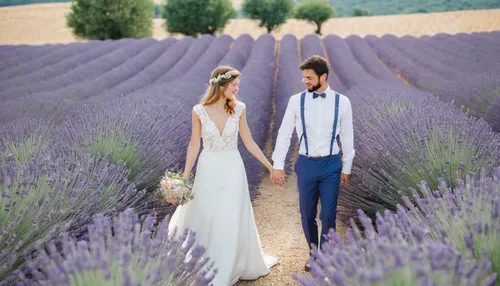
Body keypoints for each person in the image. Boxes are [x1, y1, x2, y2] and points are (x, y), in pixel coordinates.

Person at [168, 65, 278, 285]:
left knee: (231, 213)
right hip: (208, 167)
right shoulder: (199, 110)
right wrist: (185, 176)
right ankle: (206, 260)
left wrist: (270, 166)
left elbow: (249, 142)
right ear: (221, 86)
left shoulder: (239, 109)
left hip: (232, 168)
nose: (237, 89)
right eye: (234, 84)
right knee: (207, 213)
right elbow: (193, 144)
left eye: (237, 84)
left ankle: (230, 262)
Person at [270, 55, 355, 271]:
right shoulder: (296, 101)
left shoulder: (342, 102)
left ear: (323, 76)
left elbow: (347, 137)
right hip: (305, 163)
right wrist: (278, 164)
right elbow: (283, 133)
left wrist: (347, 167)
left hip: (330, 165)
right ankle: (313, 253)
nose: (305, 81)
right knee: (307, 213)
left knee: (328, 213)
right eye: (304, 77)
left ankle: (326, 256)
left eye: (309, 77)